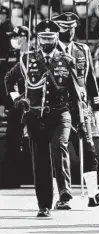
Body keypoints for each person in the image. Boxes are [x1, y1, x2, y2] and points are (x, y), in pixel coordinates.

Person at [4, 20, 84, 217]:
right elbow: (9, 80)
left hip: (60, 113)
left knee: (60, 144)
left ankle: (65, 190)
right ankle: (44, 205)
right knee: (40, 161)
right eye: (43, 38)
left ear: (57, 38)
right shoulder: (26, 59)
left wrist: (81, 121)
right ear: (38, 39)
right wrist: (18, 99)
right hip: (35, 115)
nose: (46, 41)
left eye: (50, 38)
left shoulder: (66, 60)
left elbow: (76, 94)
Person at [52, 12, 99, 209]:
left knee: (88, 150)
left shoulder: (82, 49)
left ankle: (93, 194)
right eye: (64, 28)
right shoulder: (49, 51)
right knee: (60, 152)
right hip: (57, 109)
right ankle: (61, 195)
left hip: (79, 107)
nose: (69, 31)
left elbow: (90, 80)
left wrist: (96, 108)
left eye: (72, 28)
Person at [0, 26, 29, 188]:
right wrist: (5, 102)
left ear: (24, 37)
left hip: (32, 103)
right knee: (12, 139)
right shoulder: (11, 55)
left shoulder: (33, 55)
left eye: (16, 37)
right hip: (15, 103)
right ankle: (11, 178)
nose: (13, 40)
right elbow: (5, 80)